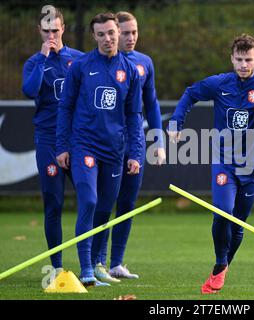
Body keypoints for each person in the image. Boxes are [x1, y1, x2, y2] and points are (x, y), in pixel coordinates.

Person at [167, 34, 254, 294]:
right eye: (239, 59)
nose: (243, 64)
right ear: (232, 58)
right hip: (225, 160)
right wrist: (176, 122)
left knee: (238, 223)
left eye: (248, 60)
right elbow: (190, 94)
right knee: (222, 211)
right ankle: (221, 264)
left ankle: (222, 267)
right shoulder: (220, 83)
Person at [56, 12, 143, 287]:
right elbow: (65, 107)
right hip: (85, 146)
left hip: (115, 151)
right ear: (94, 36)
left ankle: (97, 264)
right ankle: (85, 271)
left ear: (118, 32)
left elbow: (133, 115)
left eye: (111, 33)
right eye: (101, 34)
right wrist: (62, 146)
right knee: (90, 201)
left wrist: (137, 153)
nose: (108, 38)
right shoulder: (81, 66)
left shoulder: (129, 71)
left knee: (105, 208)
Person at [92, 11, 166, 283]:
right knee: (104, 203)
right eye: (125, 33)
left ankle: (116, 263)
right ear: (113, 33)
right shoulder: (102, 64)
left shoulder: (144, 63)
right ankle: (96, 261)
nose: (131, 37)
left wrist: (157, 139)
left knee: (127, 204)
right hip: (107, 145)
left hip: (133, 144)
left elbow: (152, 103)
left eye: (134, 32)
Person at [22, 7, 83, 275]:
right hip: (47, 139)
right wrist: (45, 57)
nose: (51, 36)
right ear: (40, 31)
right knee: (54, 202)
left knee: (91, 199)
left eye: (55, 30)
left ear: (63, 29)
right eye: (46, 31)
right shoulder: (34, 62)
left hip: (78, 139)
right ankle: (57, 267)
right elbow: (29, 91)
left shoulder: (79, 60)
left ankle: (91, 266)